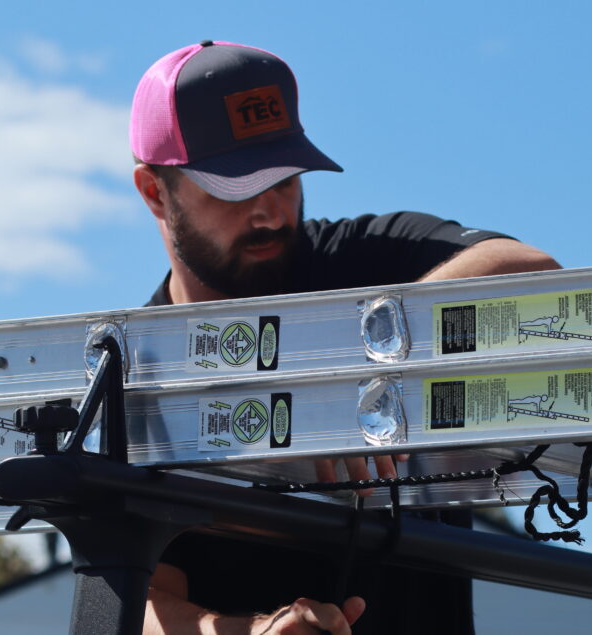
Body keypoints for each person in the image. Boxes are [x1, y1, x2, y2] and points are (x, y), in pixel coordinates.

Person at [130, 40, 560, 634]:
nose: (270, 214)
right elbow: (145, 603)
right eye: (234, 188)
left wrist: (363, 358)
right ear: (156, 192)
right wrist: (256, 632)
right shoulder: (140, 373)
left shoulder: (360, 262)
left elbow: (533, 273)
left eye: (284, 181)